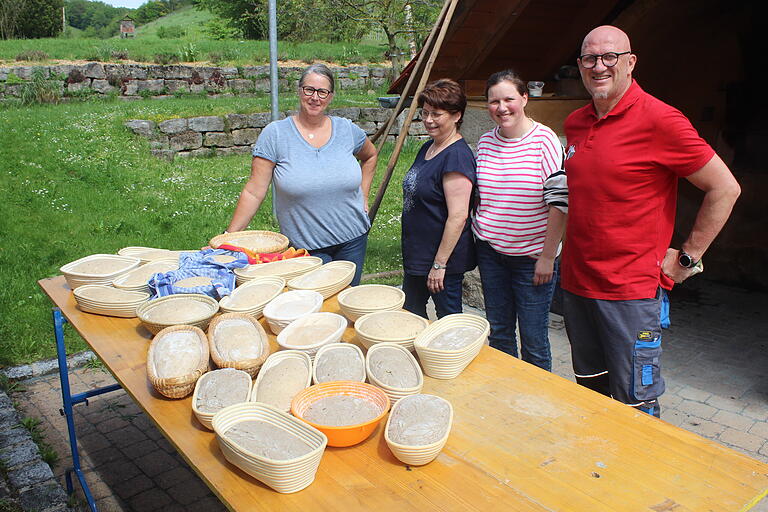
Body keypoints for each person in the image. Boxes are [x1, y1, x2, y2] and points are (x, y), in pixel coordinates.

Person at [562, 26, 741, 417]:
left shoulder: (661, 120)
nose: (599, 66)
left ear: (630, 62)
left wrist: (687, 259)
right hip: (577, 285)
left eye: (610, 57)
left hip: (629, 292)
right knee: (590, 393)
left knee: (635, 405)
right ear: (580, 65)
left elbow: (725, 189)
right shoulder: (576, 122)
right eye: (590, 58)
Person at [226, 63, 377, 286]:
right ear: (299, 91)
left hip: (353, 240)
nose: (315, 97)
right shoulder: (276, 135)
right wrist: (229, 238)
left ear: (330, 97)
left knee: (344, 307)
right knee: (312, 311)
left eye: (322, 92)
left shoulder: (347, 130)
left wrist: (364, 196)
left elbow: (371, 156)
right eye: (309, 90)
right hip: (307, 248)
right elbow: (254, 191)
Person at [471, 70, 568, 371]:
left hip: (532, 258)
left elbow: (560, 204)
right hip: (491, 254)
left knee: (534, 339)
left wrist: (547, 257)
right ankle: (505, 393)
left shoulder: (545, 141)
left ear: (524, 98)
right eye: (493, 101)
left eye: (509, 99)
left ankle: (537, 403)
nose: (501, 108)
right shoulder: (486, 142)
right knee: (499, 332)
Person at [401, 79, 476, 319]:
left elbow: (458, 216)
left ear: (456, 115)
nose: (428, 120)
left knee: (449, 321)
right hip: (418, 255)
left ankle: (453, 358)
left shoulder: (456, 157)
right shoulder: (429, 147)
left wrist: (439, 264)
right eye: (425, 113)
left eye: (436, 114)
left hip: (441, 261)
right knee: (410, 315)